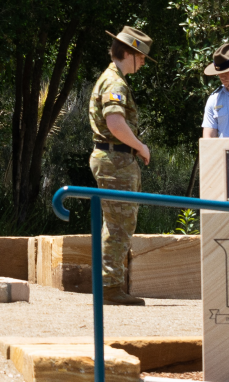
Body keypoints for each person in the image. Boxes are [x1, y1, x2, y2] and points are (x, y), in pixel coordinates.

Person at [88, 25, 154, 306]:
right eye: (141, 57)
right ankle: (110, 287)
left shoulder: (112, 78)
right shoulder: (115, 82)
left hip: (113, 159)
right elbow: (115, 122)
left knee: (115, 223)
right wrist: (140, 146)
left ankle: (109, 284)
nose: (142, 63)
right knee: (120, 224)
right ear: (129, 53)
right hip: (115, 160)